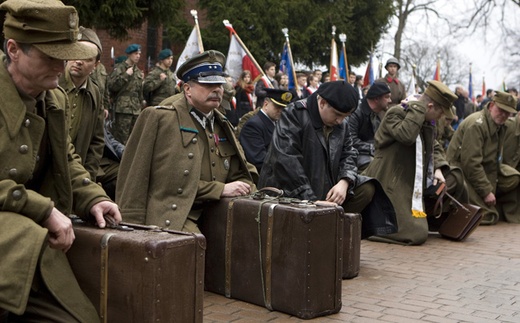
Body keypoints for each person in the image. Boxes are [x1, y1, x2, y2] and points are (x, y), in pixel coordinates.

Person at [0, 0, 122, 321]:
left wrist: (91, 195)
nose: (62, 65)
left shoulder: (52, 98)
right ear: (14, 49)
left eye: (65, 55)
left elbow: (66, 157)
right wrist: (44, 209)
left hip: (32, 243)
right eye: (50, 55)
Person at [116, 50, 258, 233]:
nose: (217, 90)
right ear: (187, 89)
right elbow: (135, 177)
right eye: (208, 84)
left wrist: (249, 189)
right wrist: (131, 227)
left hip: (217, 211)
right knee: (193, 245)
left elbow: (242, 171)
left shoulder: (222, 123)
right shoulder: (160, 117)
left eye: (219, 84)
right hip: (174, 215)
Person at [258, 81, 397, 239]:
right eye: (337, 115)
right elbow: (287, 163)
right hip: (290, 192)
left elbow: (349, 153)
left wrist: (344, 182)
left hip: (324, 189)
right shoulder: (294, 114)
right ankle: (322, 232)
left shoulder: (341, 123)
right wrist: (313, 202)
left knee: (367, 189)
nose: (340, 121)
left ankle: (332, 236)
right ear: (322, 102)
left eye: (345, 116)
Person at [364, 80, 467, 245]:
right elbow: (407, 135)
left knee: (455, 175)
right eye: (441, 111)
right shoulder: (397, 113)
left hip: (413, 178)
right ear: (430, 106)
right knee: (417, 234)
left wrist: (438, 168)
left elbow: (434, 145)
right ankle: (369, 228)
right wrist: (418, 107)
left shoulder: (424, 120)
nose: (442, 117)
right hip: (391, 180)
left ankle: (431, 219)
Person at [446, 91, 520, 224]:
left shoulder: (499, 125)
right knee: (487, 216)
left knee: (513, 178)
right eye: (500, 110)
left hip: (484, 169)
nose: (503, 115)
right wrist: (486, 191)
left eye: (507, 112)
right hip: (461, 172)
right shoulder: (477, 125)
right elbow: (470, 163)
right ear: (491, 106)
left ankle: (497, 205)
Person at [59, 27, 105, 181]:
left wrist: (88, 177)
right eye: (75, 53)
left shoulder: (95, 94)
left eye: (86, 58)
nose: (78, 61)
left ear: (96, 65)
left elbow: (97, 141)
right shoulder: (50, 84)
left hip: (76, 174)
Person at [239, 89, 293, 174]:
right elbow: (258, 159)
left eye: (283, 108)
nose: (280, 111)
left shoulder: (277, 122)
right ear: (266, 104)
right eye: (277, 107)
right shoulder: (253, 125)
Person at [348, 82, 392, 172]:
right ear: (376, 98)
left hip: (368, 154)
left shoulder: (376, 114)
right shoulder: (356, 112)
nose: (390, 100)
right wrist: (372, 148)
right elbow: (350, 140)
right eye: (387, 97)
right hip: (354, 157)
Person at [108, 43, 145, 144]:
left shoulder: (137, 70)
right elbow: (112, 86)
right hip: (123, 108)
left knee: (134, 138)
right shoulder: (120, 68)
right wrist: (125, 75)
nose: (138, 56)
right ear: (129, 54)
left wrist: (142, 101)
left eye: (139, 54)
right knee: (122, 138)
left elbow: (138, 90)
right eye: (136, 53)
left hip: (135, 108)